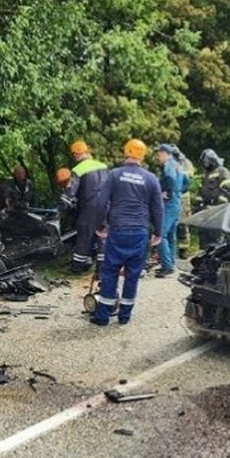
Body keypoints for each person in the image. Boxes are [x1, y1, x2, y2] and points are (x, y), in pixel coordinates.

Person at [90, 139, 163, 325]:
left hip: (118, 230)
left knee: (110, 272)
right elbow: (158, 208)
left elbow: (100, 202)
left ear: (126, 152)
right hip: (139, 232)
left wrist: (99, 226)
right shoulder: (151, 178)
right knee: (132, 274)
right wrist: (158, 232)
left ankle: (102, 316)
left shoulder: (115, 175)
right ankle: (124, 316)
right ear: (143, 155)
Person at [60, 141, 109, 273]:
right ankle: (102, 270)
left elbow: (70, 193)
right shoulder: (103, 166)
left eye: (74, 154)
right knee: (102, 237)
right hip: (105, 206)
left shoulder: (78, 170)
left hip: (89, 207)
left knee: (84, 235)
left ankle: (78, 266)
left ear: (76, 154)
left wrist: (62, 209)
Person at [155, 144, 189, 278]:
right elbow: (187, 182)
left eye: (158, 154)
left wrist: (165, 191)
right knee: (170, 235)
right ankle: (171, 262)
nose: (158, 158)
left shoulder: (168, 165)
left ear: (165, 153)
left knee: (161, 234)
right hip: (177, 202)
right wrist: (178, 192)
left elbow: (169, 178)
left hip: (169, 203)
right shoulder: (178, 165)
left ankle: (167, 266)